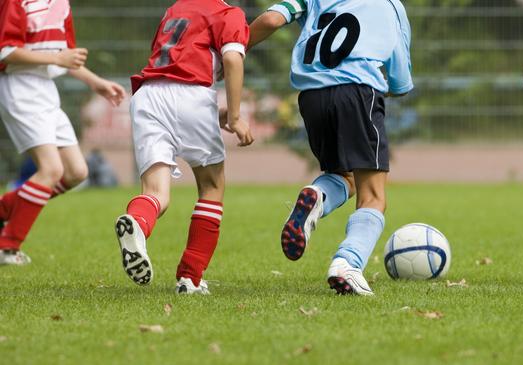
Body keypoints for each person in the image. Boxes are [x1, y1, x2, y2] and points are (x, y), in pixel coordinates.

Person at [249, 0, 413, 295]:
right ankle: (347, 263)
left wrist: (233, 52)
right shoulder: (390, 5)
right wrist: (395, 86)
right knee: (374, 196)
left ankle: (317, 195)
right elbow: (400, 81)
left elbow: (272, 20)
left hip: (311, 96)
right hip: (358, 92)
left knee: (343, 176)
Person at [114, 0, 253, 294]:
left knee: (154, 193)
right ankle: (190, 278)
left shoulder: (175, 9)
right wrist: (236, 116)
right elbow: (232, 60)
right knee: (212, 186)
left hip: (148, 95)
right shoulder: (229, 13)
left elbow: (176, 60)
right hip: (191, 93)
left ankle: (137, 223)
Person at [0, 0, 125, 265]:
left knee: (76, 172)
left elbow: (66, 56)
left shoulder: (61, 4)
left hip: (46, 89)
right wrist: (57, 58)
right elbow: (6, 52)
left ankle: (4, 210)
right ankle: (6, 246)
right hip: (19, 87)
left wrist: (96, 82)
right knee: (51, 170)